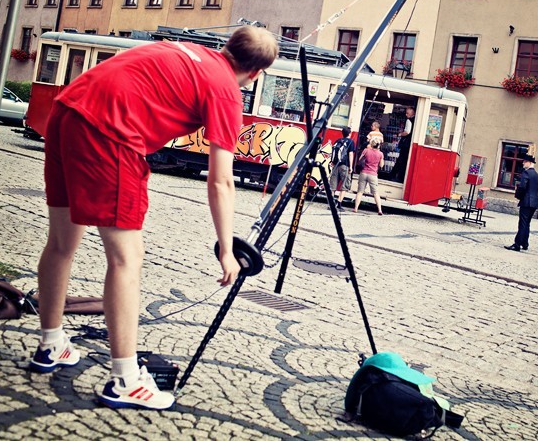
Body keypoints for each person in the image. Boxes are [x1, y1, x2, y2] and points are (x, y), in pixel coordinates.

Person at [28, 26, 279, 410]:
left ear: (228, 47)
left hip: (67, 111)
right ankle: (125, 380)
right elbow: (222, 180)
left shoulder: (190, 52)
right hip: (109, 132)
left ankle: (51, 344)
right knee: (127, 258)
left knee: (62, 242)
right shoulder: (226, 90)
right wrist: (227, 249)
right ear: (256, 74)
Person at [505, 154, 538, 252]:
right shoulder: (536, 175)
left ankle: (517, 245)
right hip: (534, 203)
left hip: (526, 202)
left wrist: (518, 196)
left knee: (522, 223)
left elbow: (522, 187)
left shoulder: (526, 173)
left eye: (525, 161)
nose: (523, 163)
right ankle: (525, 243)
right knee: (527, 223)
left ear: (529, 163)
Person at [353, 141, 385, 215]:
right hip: (373, 175)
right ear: (378, 145)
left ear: (371, 144)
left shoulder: (366, 150)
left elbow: (360, 160)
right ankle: (380, 210)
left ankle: (356, 208)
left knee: (360, 191)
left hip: (363, 173)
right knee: (375, 193)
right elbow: (381, 165)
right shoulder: (380, 154)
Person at [328, 126, 356, 209]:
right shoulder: (351, 142)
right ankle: (339, 203)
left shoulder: (338, 141)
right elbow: (351, 154)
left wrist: (333, 162)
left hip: (336, 165)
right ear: (349, 134)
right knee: (345, 185)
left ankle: (331, 204)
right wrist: (351, 166)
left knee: (333, 185)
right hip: (345, 165)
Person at [389, 107, 415, 182]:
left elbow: (407, 132)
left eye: (407, 113)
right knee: (404, 161)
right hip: (410, 144)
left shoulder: (409, 120)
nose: (406, 115)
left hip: (406, 144)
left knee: (401, 160)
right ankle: (400, 176)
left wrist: (399, 134)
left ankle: (393, 175)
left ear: (412, 113)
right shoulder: (415, 120)